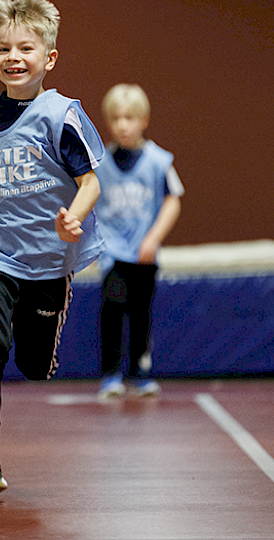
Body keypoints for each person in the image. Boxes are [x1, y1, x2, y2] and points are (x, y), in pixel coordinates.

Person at [0, 0, 105, 503]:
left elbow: (91, 183)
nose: (13, 58)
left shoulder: (61, 116)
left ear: (48, 58)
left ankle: (24, 343)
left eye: (25, 48)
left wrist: (73, 219)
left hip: (48, 257)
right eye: (3, 49)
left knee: (34, 365)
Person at [93, 84, 183, 399]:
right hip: (114, 253)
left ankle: (141, 372)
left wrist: (153, 238)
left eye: (130, 118)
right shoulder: (100, 161)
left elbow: (174, 201)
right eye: (116, 118)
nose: (123, 125)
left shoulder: (159, 161)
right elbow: (89, 199)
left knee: (141, 312)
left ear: (144, 120)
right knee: (113, 307)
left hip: (144, 254)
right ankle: (111, 374)